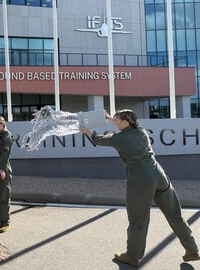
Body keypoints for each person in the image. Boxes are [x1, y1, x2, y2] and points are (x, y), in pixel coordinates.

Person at [79, 109, 200, 267]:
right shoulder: (141, 131)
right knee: (175, 215)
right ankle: (192, 250)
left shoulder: (120, 139)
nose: (114, 122)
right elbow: (122, 124)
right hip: (159, 174)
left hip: (141, 180)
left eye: (116, 120)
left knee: (138, 219)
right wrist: (109, 118)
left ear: (124, 122)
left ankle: (133, 256)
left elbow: (97, 139)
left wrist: (86, 131)